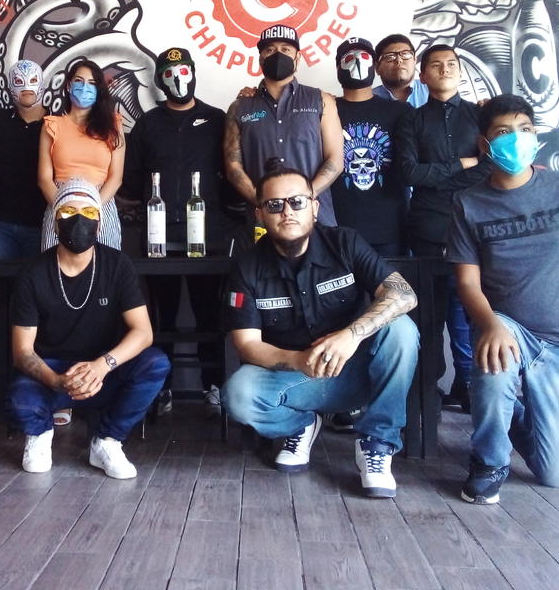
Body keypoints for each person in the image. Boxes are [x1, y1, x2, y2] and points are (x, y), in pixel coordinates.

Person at [448, 95, 559, 504]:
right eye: (503, 132)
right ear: (485, 144)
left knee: (553, 474)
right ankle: (489, 461)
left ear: (536, 135)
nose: (516, 139)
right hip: (508, 328)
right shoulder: (468, 203)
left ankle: (508, 412)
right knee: (494, 355)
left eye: (524, 129)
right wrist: (490, 325)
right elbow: (467, 282)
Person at [222, 162, 419, 497]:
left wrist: (351, 335)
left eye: (297, 202)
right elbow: (246, 344)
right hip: (299, 378)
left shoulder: (345, 242)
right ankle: (301, 425)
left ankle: (377, 444)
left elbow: (404, 295)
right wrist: (298, 360)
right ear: (259, 214)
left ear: (314, 207)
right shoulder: (247, 267)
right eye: (274, 204)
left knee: (400, 329)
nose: (287, 212)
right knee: (239, 394)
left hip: (361, 372)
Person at [8, 179, 170, 478]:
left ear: (99, 223)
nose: (79, 220)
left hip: (103, 372)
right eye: (69, 212)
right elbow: (22, 352)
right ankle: (40, 435)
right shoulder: (33, 272)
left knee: (155, 363)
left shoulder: (117, 264)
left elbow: (143, 332)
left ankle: (107, 440)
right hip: (52, 372)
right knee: (20, 395)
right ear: (55, 222)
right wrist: (58, 381)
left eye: (89, 213)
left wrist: (102, 366)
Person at [121, 46, 230, 413]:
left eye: (183, 71)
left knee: (208, 313)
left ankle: (214, 386)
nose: (178, 79)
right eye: (169, 74)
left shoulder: (216, 119)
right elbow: (132, 177)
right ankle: (161, 388)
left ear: (193, 73)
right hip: (159, 236)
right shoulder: (148, 123)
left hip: (207, 236)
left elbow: (231, 169)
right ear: (159, 81)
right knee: (160, 316)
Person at [395, 44, 491, 412]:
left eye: (451, 64)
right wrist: (462, 165)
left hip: (473, 226)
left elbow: (489, 166)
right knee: (428, 315)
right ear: (423, 76)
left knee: (469, 311)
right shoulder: (412, 119)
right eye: (436, 65)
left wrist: (441, 174)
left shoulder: (480, 115)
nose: (445, 69)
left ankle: (468, 386)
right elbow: (408, 172)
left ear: (460, 71)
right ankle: (428, 389)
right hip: (427, 227)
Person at [224, 24, 343, 224]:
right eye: (270, 50)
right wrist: (265, 202)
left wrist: (304, 199)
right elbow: (233, 167)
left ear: (298, 57)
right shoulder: (240, 107)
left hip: (316, 220)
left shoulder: (321, 100)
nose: (278, 54)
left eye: (286, 49)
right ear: (260, 58)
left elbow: (336, 161)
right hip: (262, 222)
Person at [0, 60, 49, 413]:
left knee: (43, 306)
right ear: (9, 85)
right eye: (19, 80)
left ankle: (40, 385)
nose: (26, 86)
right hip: (2, 225)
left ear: (43, 82)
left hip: (43, 227)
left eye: (32, 79)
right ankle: (0, 387)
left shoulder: (55, 122)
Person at [329, 38, 411, 257]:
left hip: (391, 228)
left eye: (364, 56)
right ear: (337, 67)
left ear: (374, 66)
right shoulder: (325, 110)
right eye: (349, 57)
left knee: (393, 281)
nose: (356, 62)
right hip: (339, 228)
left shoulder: (400, 111)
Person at [38, 59, 124, 250]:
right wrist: (64, 207)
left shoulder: (113, 125)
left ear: (99, 90)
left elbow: (116, 177)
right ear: (69, 85)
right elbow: (44, 178)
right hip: (60, 202)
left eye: (92, 83)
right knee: (57, 264)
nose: (85, 87)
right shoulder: (51, 125)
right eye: (79, 81)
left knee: (103, 264)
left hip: (101, 203)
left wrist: (92, 208)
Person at [372, 34, 428, 108]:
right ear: (377, 68)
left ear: (415, 61)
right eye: (390, 56)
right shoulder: (368, 99)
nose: (399, 60)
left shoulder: (432, 91)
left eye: (405, 54)